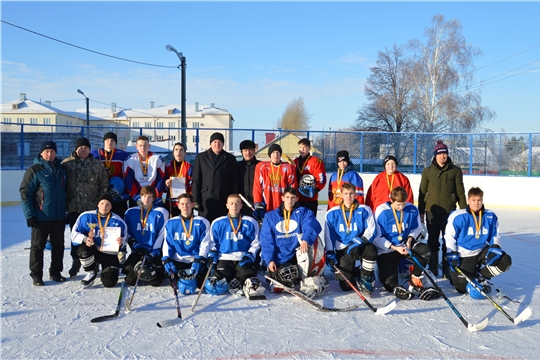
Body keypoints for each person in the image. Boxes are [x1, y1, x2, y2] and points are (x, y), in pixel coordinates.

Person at [259, 187, 327, 298]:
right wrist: (270, 260)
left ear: (296, 199)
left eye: (292, 198)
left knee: (313, 242)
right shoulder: (270, 217)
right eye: (287, 197)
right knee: (283, 281)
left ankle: (310, 279)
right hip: (279, 257)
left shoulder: (303, 212)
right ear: (282, 198)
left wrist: (306, 239)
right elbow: (267, 241)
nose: (290, 200)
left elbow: (311, 224)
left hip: (297, 254)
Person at [445, 187, 512, 298]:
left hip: (481, 250)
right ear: (468, 200)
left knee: (505, 260)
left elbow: (494, 234)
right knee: (461, 288)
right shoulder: (458, 216)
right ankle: (459, 276)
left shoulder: (490, 215)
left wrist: (495, 246)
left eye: (479, 200)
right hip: (464, 254)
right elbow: (449, 237)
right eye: (473, 200)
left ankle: (481, 275)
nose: (476, 203)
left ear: (482, 200)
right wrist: (452, 253)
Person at [373, 187, 439, 301]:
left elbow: (418, 227)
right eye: (398, 204)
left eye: (403, 204)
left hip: (405, 244)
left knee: (425, 251)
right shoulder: (381, 211)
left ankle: (415, 278)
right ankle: (382, 272)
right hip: (388, 249)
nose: (401, 207)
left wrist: (409, 239)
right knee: (389, 286)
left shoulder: (412, 209)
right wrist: (394, 247)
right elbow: (376, 238)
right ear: (391, 200)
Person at [20, 141, 69, 286]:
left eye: (52, 151)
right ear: (41, 153)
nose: (49, 154)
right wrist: (29, 215)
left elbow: (66, 192)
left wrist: (65, 211)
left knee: (58, 246)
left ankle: (55, 272)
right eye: (46, 152)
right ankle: (36, 275)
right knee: (37, 247)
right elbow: (25, 193)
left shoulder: (62, 170)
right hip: (41, 216)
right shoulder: (34, 170)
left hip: (59, 216)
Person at [418, 140, 466, 278]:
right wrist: (421, 211)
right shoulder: (427, 171)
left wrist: (464, 211)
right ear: (435, 155)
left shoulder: (455, 171)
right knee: (432, 240)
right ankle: (433, 268)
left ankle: (447, 269)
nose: (442, 156)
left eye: (444, 153)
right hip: (431, 211)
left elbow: (460, 192)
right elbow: (421, 192)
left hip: (449, 212)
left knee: (448, 241)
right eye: (439, 154)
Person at [63, 137, 109, 278]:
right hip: (74, 208)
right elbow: (61, 185)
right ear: (76, 149)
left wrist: (100, 204)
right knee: (76, 237)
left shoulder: (97, 165)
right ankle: (76, 262)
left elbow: (104, 184)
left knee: (95, 237)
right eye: (80, 147)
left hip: (91, 210)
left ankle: (94, 263)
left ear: (89, 149)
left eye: (86, 147)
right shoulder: (66, 164)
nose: (83, 150)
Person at [204, 194, 265, 299]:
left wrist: (250, 255)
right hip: (224, 257)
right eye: (231, 204)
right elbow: (213, 243)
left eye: (237, 203)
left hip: (243, 257)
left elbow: (256, 242)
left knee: (244, 278)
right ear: (227, 205)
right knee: (219, 284)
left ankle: (246, 281)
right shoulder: (218, 222)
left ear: (241, 205)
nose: (234, 206)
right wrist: (212, 253)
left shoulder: (250, 222)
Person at [324, 182, 378, 297]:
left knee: (371, 250)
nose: (349, 196)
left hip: (359, 245)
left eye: (351, 193)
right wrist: (329, 253)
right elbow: (329, 236)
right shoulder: (331, 213)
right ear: (341, 196)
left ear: (355, 194)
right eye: (346, 194)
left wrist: (362, 239)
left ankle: (366, 276)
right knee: (346, 287)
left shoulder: (365, 210)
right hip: (343, 249)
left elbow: (371, 230)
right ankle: (356, 273)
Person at [70, 193, 128, 288]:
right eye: (102, 203)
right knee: (83, 249)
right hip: (93, 250)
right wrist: (85, 239)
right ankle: (91, 272)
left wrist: (121, 243)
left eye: (107, 204)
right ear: (97, 204)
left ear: (111, 206)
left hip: (109, 253)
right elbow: (74, 235)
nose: (104, 206)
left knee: (109, 282)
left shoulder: (118, 221)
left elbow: (125, 240)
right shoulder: (86, 216)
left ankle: (107, 271)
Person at [161, 193, 212, 294]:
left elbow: (205, 243)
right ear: (178, 205)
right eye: (182, 204)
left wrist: (200, 259)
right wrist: (167, 259)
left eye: (188, 203)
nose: (185, 206)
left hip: (195, 260)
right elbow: (168, 243)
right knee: (177, 284)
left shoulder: (202, 222)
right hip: (179, 260)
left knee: (201, 284)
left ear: (192, 204)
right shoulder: (171, 223)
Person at [123, 186, 169, 286]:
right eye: (144, 196)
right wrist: (135, 246)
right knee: (130, 280)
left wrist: (154, 252)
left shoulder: (161, 212)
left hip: (153, 252)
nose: (146, 199)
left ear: (154, 198)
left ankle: (160, 271)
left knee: (155, 282)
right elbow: (128, 232)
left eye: (149, 197)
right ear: (140, 197)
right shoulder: (130, 212)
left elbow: (162, 234)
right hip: (138, 250)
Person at [191, 132, 237, 222]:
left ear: (223, 144)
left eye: (219, 142)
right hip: (206, 199)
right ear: (210, 143)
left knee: (222, 225)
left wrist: (233, 199)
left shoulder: (230, 158)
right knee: (205, 225)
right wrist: (196, 200)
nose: (217, 144)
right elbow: (196, 180)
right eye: (215, 142)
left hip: (223, 198)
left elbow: (234, 180)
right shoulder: (201, 157)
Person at [91, 131, 130, 219]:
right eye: (107, 140)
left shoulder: (122, 155)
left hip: (118, 191)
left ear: (115, 142)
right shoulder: (95, 154)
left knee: (119, 217)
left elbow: (128, 174)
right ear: (104, 141)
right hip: (101, 191)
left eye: (112, 140)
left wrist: (126, 193)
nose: (109, 142)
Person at [252, 143, 296, 220]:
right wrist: (258, 203)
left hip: (283, 205)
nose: (275, 155)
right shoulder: (262, 167)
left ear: (280, 154)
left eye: (278, 153)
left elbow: (292, 187)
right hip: (267, 204)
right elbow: (257, 186)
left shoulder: (289, 168)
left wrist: (292, 203)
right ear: (270, 155)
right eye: (273, 153)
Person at [123, 135, 166, 207]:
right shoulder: (130, 160)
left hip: (153, 197)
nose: (143, 148)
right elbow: (129, 180)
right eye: (140, 145)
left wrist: (156, 195)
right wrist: (136, 196)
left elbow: (161, 179)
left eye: (145, 145)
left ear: (149, 146)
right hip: (137, 196)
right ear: (136, 146)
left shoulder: (157, 159)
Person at [293, 138, 327, 215]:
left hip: (310, 199)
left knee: (310, 223)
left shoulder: (316, 161)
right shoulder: (295, 162)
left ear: (309, 148)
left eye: (305, 147)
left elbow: (321, 179)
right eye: (300, 147)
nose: (302, 149)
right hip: (297, 198)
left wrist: (315, 189)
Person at [164, 142, 192, 218]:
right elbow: (162, 185)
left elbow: (191, 185)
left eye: (181, 150)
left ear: (185, 153)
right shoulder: (167, 166)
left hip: (184, 204)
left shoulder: (189, 167)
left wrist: (190, 199)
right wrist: (166, 184)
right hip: (170, 203)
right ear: (173, 153)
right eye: (176, 150)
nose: (178, 152)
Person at [236, 139, 260, 217]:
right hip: (241, 203)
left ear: (254, 151)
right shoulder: (237, 166)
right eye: (245, 150)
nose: (248, 153)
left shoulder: (260, 166)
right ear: (241, 152)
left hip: (257, 203)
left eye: (251, 150)